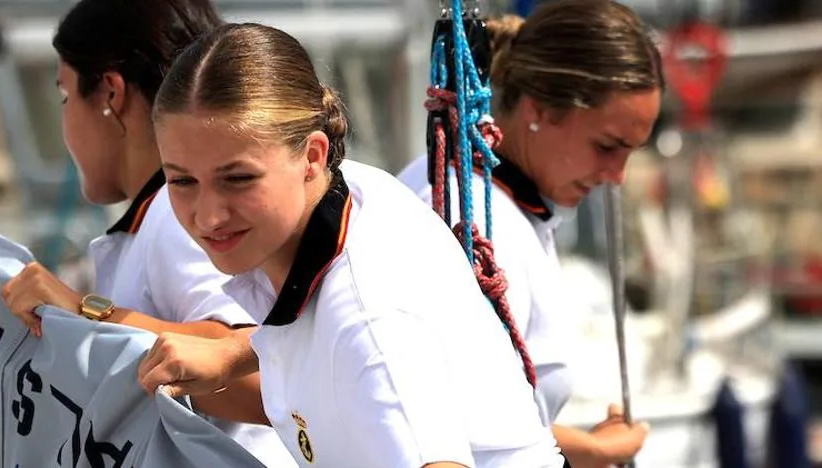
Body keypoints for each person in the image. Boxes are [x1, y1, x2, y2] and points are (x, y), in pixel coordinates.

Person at [138, 22, 565, 467]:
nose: (208, 215)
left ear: (312, 155)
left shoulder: (369, 319)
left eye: (238, 179)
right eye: (182, 180)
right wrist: (236, 353)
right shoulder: (353, 191)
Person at [0, 1, 296, 465]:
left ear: (111, 93)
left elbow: (262, 384)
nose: (208, 211)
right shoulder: (162, 216)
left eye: (65, 95)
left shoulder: (176, 220)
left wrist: (80, 312)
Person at [397, 1, 661, 466]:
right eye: (606, 147)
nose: (617, 175)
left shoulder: (468, 190)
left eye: (630, 152)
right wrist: (592, 450)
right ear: (539, 110)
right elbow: (451, 420)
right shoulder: (472, 216)